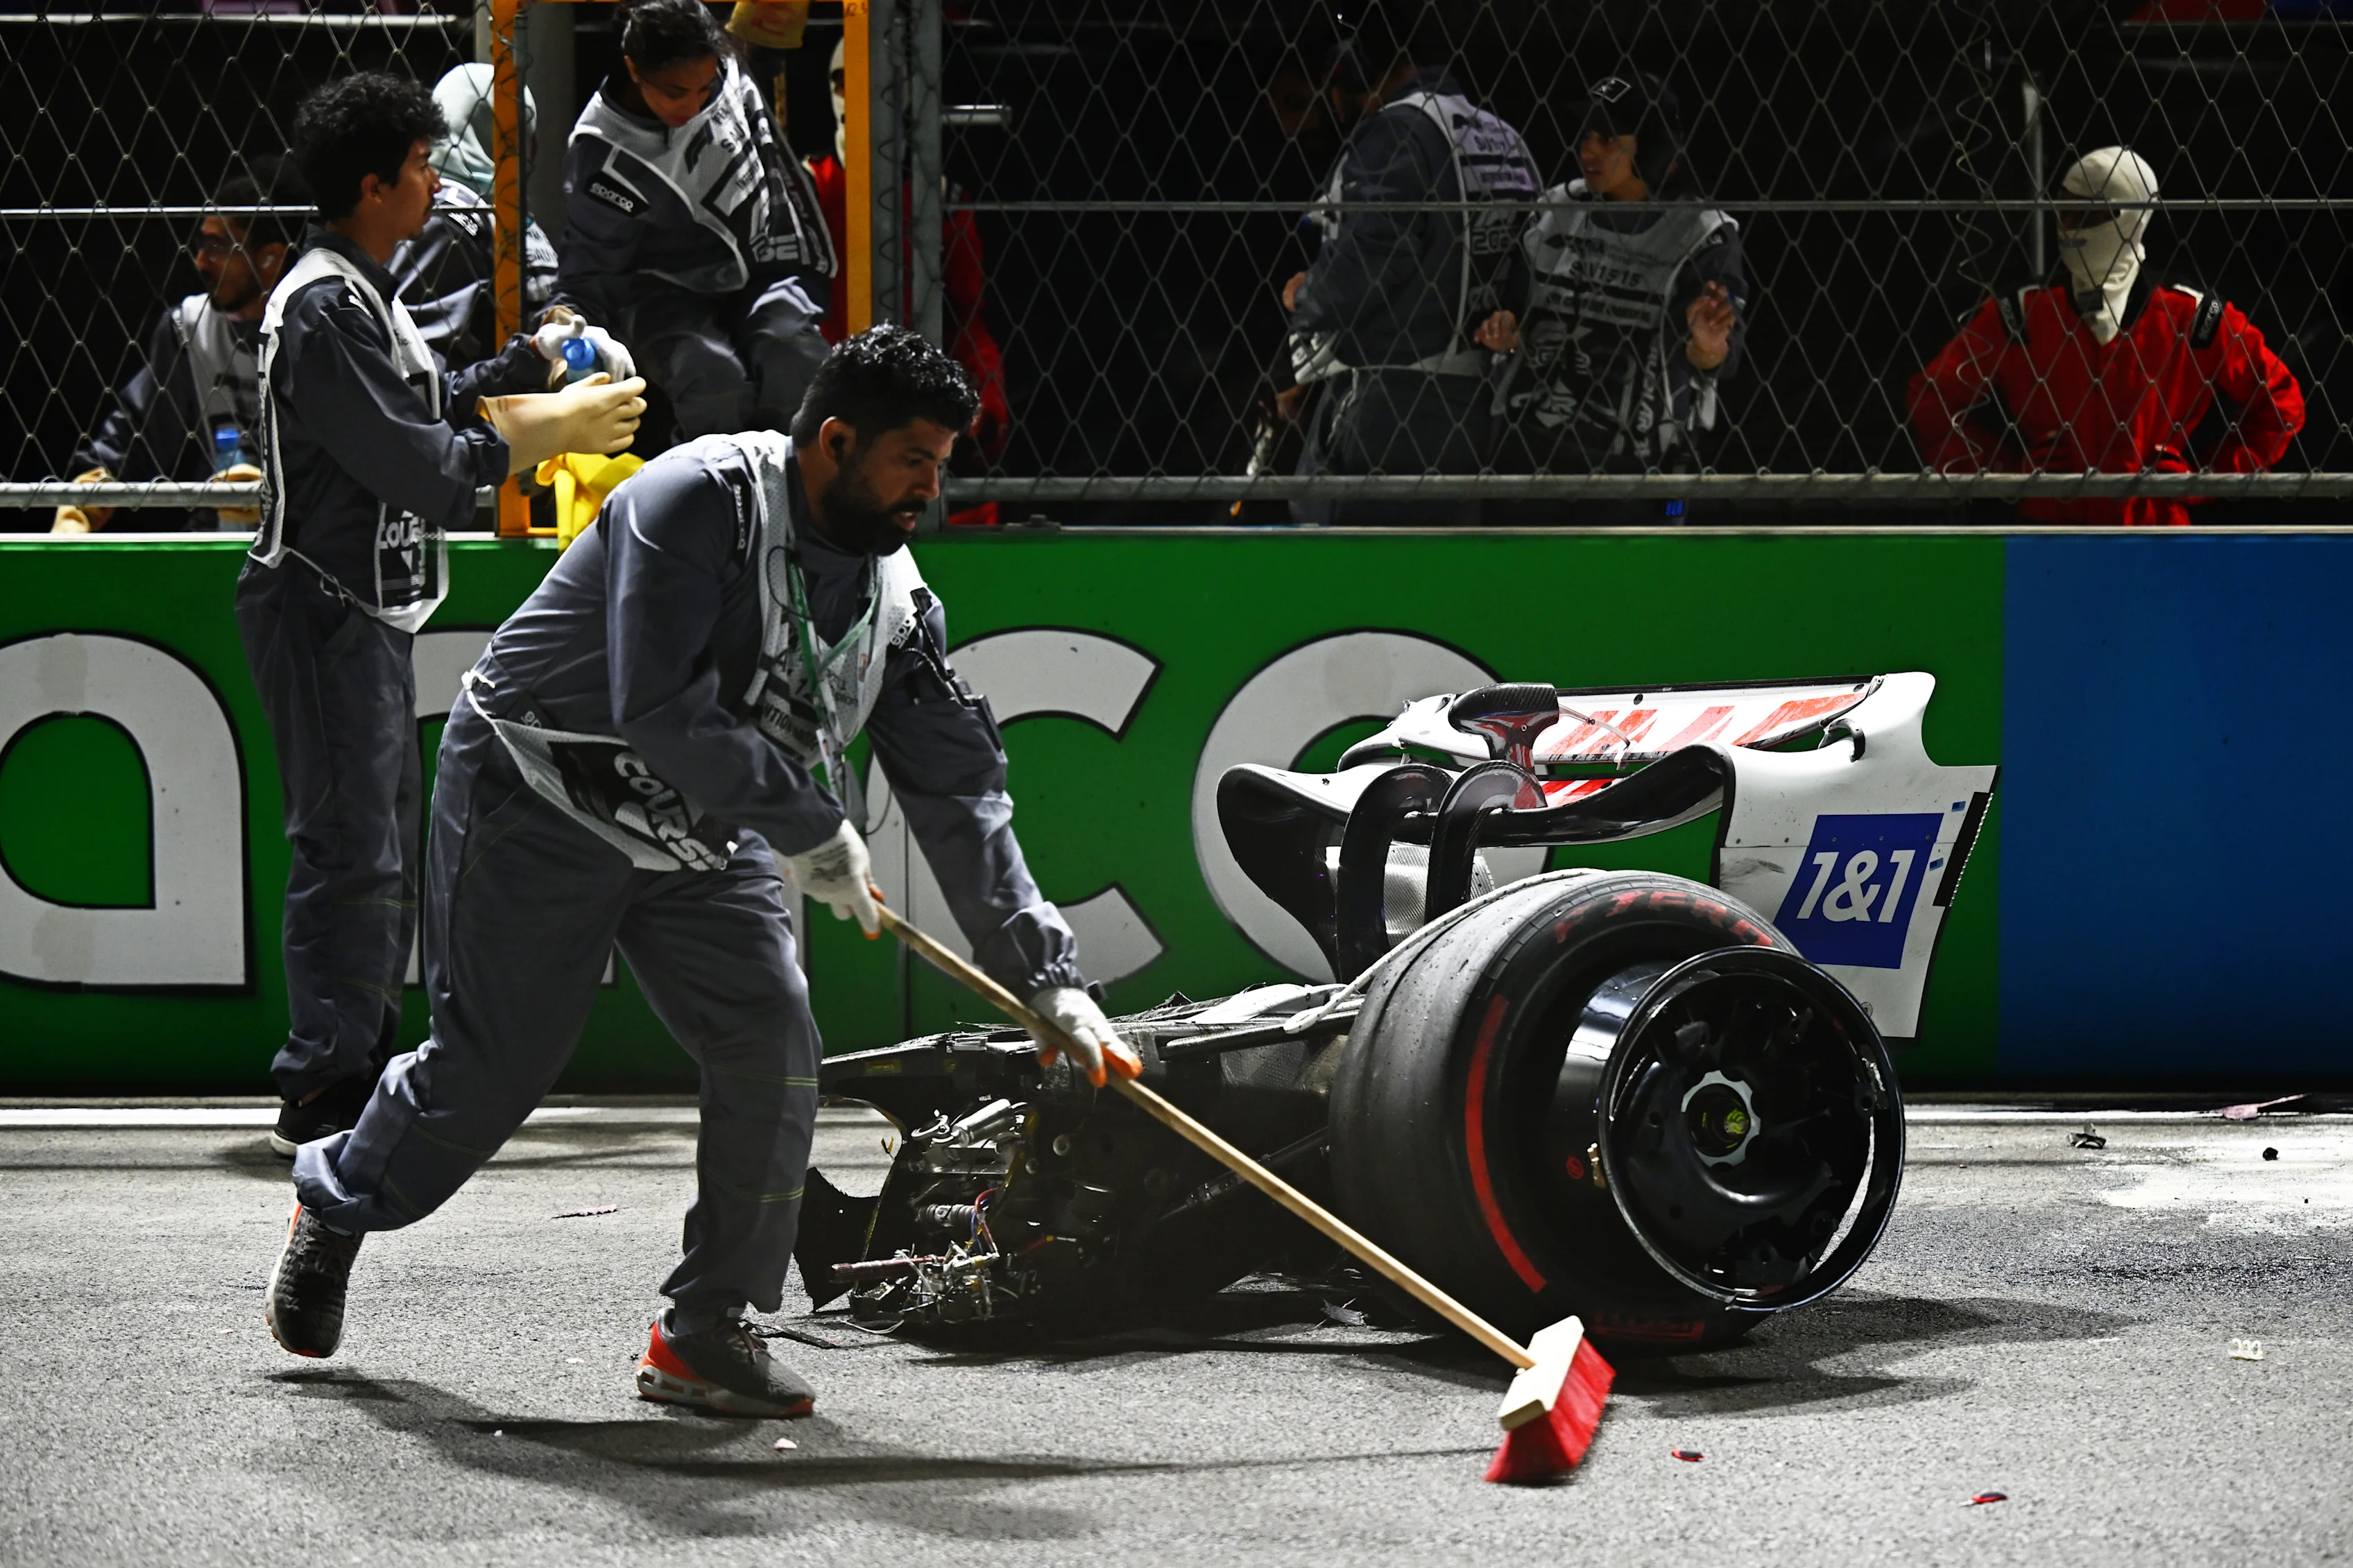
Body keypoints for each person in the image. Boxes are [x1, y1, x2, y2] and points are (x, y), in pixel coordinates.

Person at [264, 327, 1140, 1420]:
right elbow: (656, 705)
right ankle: (339, 1198)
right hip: (541, 791)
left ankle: (706, 1326)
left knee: (773, 1045)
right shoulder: (696, 501)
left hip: (703, 827)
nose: (934, 484)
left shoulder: (901, 602)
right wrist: (811, 825)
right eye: (914, 456)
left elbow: (960, 793)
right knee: (492, 1073)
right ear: (834, 440)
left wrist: (1045, 975)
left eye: (943, 459)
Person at [239, 71, 647, 1160]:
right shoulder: (326, 305)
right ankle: (327, 1083)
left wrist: (520, 370)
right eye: (421, 167)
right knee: (349, 849)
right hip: (324, 603)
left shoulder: (351, 291)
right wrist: (555, 424)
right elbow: (422, 468)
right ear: (374, 186)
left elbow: (420, 394)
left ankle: (351, 1064)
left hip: (356, 605)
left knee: (369, 846)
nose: (434, 184)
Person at [1908, 146, 2304, 527]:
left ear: (2133, 218)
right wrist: (2001, 475)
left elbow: (2282, 403)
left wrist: (2206, 478)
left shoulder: (2193, 319)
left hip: (2153, 534)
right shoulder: (2021, 316)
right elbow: (1932, 399)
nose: (2072, 228)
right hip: (2048, 532)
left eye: (2091, 214)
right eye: (2066, 211)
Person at [1277, 12, 1539, 526]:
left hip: (1390, 406)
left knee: (1346, 571)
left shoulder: (1397, 132)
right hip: (1476, 403)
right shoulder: (1502, 136)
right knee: (1438, 573)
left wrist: (1307, 296)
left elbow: (1372, 261)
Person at [555, 0, 835, 445]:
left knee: (793, 360)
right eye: (674, 92)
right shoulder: (602, 157)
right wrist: (566, 320)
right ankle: (716, 499)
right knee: (713, 382)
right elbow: (591, 270)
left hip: (766, 263)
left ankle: (801, 499)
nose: (693, 105)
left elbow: (765, 34)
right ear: (634, 69)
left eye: (704, 89)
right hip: (664, 289)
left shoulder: (732, 60)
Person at [1472, 74, 1748, 523]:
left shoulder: (1702, 235)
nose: (1588, 151)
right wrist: (1502, 328)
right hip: (1528, 466)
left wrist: (1707, 342)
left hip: (1635, 480)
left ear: (1653, 147)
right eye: (1585, 136)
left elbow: (1721, 356)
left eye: (1606, 138)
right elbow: (1514, 308)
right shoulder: (1555, 211)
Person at [51, 162, 300, 535]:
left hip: (312, 544)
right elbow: (138, 432)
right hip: (225, 547)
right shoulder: (190, 327)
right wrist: (90, 490)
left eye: (218, 247)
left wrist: (280, 489)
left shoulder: (315, 330)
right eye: (202, 243)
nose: (200, 261)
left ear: (271, 257)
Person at [805, 38, 1010, 458]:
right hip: (818, 387)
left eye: (876, 86)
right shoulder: (803, 188)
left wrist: (986, 388)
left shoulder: (940, 199)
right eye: (845, 84)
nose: (859, 99)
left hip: (913, 397)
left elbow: (968, 314)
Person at [388, 64, 569, 372]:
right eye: (523, 131)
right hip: (475, 410)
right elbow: (418, 355)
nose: (532, 149)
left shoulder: (501, 209)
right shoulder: (449, 214)